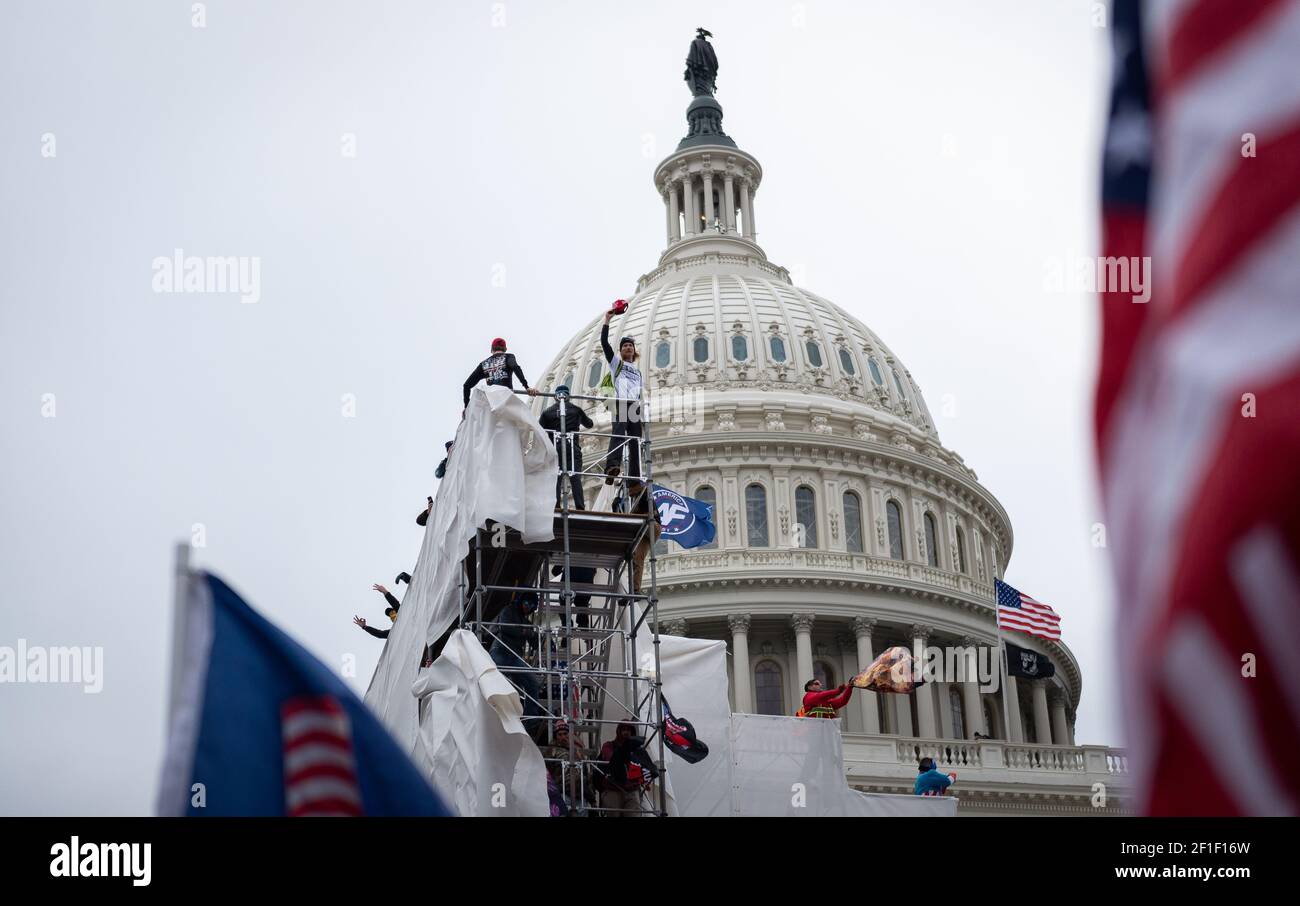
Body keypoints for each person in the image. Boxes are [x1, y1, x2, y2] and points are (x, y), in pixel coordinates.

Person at [599, 309, 644, 491]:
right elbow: (604, 344)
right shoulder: (616, 364)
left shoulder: (638, 371)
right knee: (618, 433)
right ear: (621, 350)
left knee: (635, 442)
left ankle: (634, 480)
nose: (628, 348)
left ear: (634, 351)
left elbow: (639, 392)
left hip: (634, 406)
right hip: (620, 402)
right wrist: (607, 320)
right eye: (624, 346)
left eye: (630, 346)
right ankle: (612, 466)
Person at [488, 591, 541, 724]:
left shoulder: (525, 622)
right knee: (496, 685)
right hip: (500, 652)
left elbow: (536, 642)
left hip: (514, 656)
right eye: (526, 603)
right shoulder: (508, 610)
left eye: (531, 605)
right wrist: (525, 632)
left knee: (532, 683)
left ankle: (530, 720)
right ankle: (492, 716)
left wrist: (544, 641)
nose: (527, 607)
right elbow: (506, 628)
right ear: (521, 601)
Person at [537, 386, 593, 509]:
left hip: (554, 449)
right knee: (575, 477)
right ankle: (580, 506)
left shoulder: (547, 412)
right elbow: (590, 424)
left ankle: (555, 505)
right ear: (568, 396)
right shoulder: (576, 410)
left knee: (555, 478)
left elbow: (539, 431)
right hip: (572, 448)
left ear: (555, 397)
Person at [596, 722, 658, 816]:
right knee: (614, 815)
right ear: (618, 731)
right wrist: (626, 750)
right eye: (623, 729)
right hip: (613, 788)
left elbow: (646, 766)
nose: (626, 732)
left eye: (629, 730)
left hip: (632, 790)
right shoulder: (609, 745)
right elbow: (611, 758)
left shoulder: (638, 750)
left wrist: (647, 776)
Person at [463, 338, 538, 409]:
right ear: (505, 349)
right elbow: (515, 367)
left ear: (492, 349)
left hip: (492, 403)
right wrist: (526, 387)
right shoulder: (508, 357)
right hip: (506, 399)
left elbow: (466, 385)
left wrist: (467, 408)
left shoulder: (484, 364)